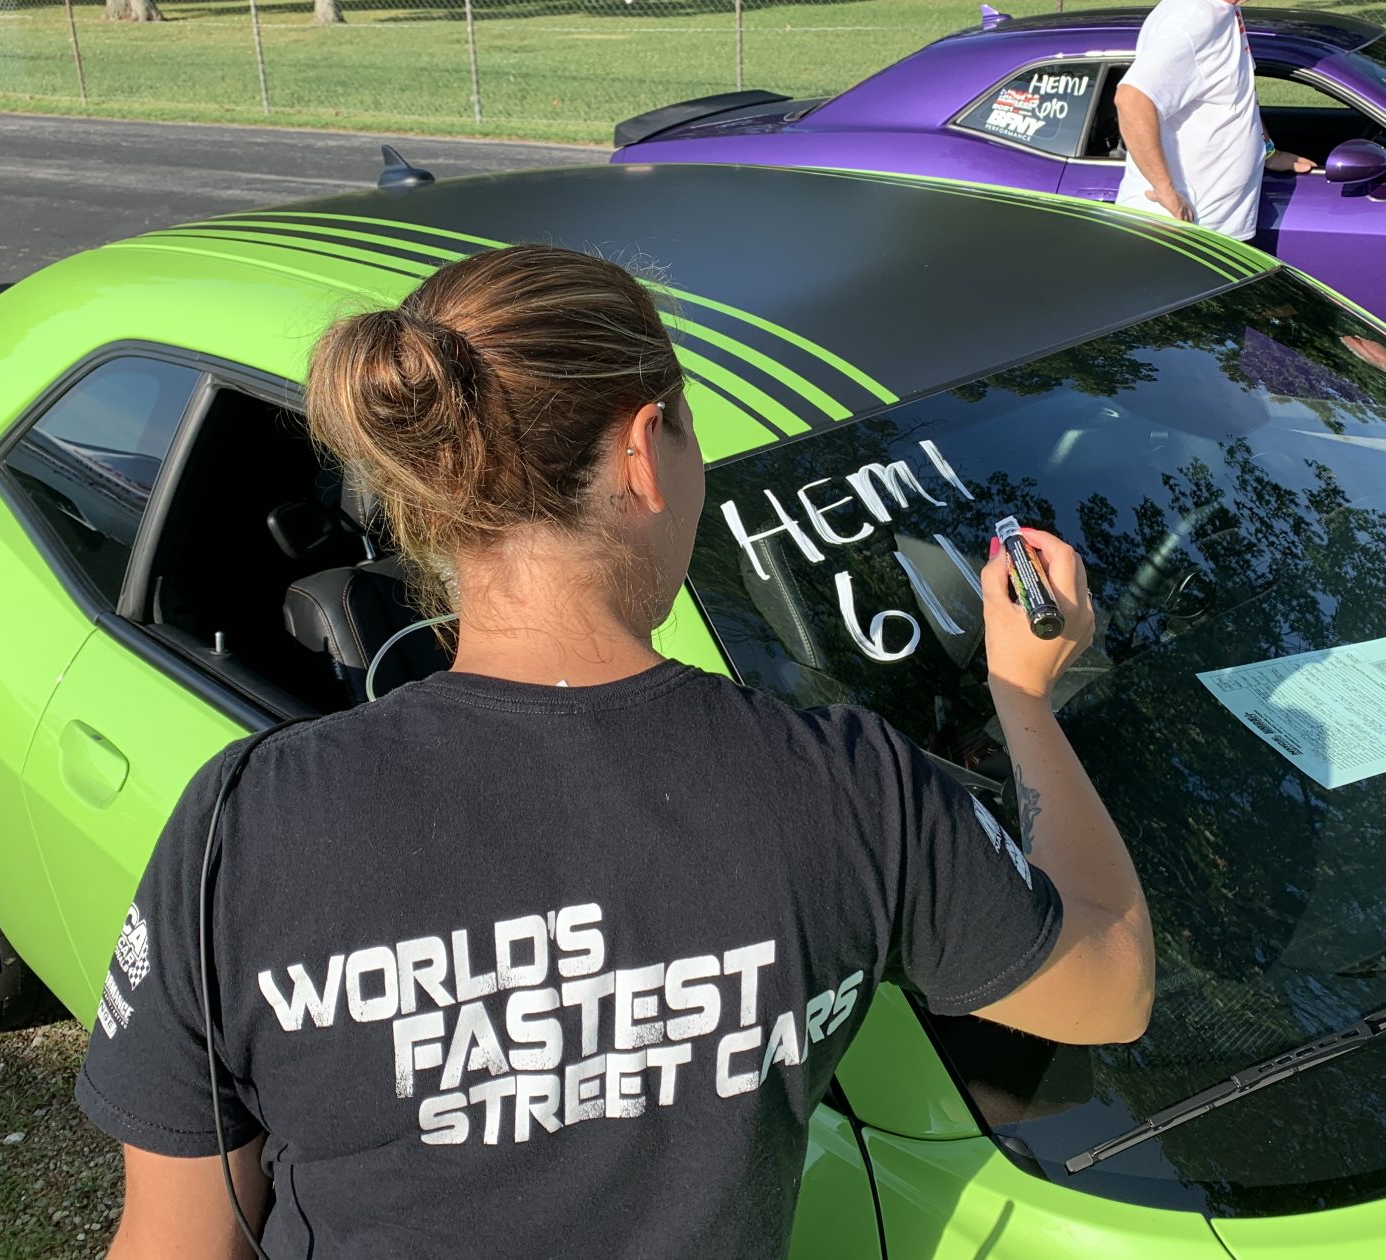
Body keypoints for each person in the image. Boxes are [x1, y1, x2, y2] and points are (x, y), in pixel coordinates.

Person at [75, 244, 1156, 1258]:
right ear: (644, 452)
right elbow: (1108, 986)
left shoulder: (245, 820)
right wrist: (1023, 701)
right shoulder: (847, 788)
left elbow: (176, 1241)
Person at [1114, 0, 1319, 243]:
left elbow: (1237, 94)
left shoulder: (1223, 8)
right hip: (1182, 236)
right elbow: (1131, 100)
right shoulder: (1193, 21)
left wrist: (1266, 151)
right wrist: (1166, 191)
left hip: (1211, 233)